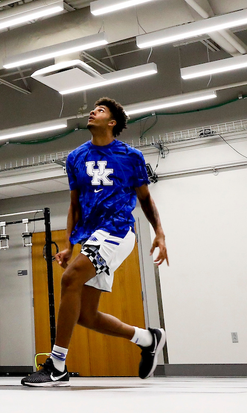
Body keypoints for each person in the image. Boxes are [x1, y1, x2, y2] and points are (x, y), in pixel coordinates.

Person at [22, 98, 167, 387]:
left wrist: (159, 233)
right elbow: (74, 205)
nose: (92, 112)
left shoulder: (131, 156)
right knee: (85, 316)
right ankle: (148, 339)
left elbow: (145, 199)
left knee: (70, 278)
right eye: (93, 109)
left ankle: (57, 365)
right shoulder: (76, 157)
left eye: (100, 111)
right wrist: (68, 245)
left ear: (112, 122)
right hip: (91, 236)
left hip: (117, 230)